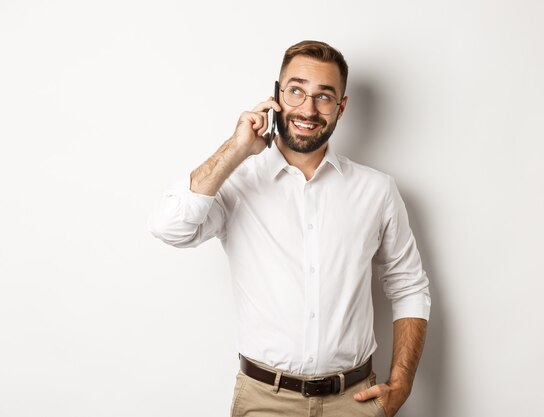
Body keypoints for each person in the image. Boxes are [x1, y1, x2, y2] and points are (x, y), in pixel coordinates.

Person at [148, 40, 431, 417]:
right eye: (296, 91)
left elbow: (409, 284)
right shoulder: (236, 184)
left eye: (324, 97)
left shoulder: (376, 190)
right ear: (275, 96)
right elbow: (169, 228)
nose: (308, 109)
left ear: (341, 107)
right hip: (265, 401)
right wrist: (235, 148)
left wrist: (402, 384)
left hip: (356, 401)